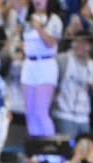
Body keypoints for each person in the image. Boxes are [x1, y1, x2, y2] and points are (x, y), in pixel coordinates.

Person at [20, 0, 63, 136]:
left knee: (40, 111)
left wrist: (38, 28)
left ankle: (51, 153)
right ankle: (36, 151)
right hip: (29, 64)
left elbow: (51, 42)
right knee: (30, 112)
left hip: (46, 64)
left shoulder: (54, 19)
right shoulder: (27, 16)